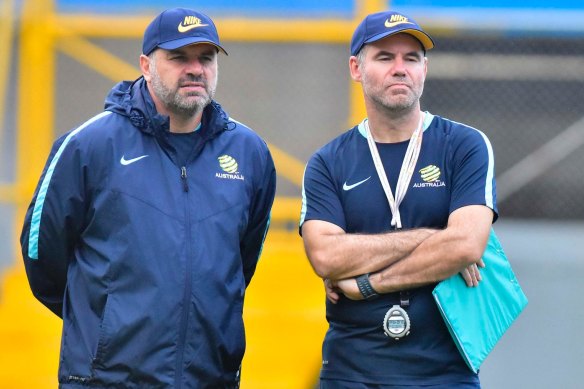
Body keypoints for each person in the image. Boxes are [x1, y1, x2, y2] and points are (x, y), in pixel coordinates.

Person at [20, 8, 276, 388]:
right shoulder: (89, 146)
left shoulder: (249, 152)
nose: (195, 69)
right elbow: (42, 257)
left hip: (210, 378)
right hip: (107, 378)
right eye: (178, 58)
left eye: (205, 58)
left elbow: (241, 263)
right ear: (145, 64)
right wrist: (107, 323)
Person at [300, 10, 497, 388]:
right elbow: (325, 256)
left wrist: (367, 283)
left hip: (446, 371)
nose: (400, 68)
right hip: (351, 371)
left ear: (425, 68)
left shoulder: (465, 145)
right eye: (385, 57)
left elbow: (468, 244)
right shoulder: (329, 161)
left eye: (412, 58)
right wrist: (434, 239)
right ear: (356, 68)